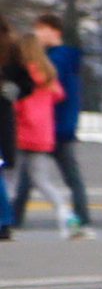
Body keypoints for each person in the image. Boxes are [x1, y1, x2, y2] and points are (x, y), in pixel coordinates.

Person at [14, 13, 91, 234]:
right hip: (52, 128)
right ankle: (80, 220)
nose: (38, 34)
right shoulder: (58, 59)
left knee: (27, 179)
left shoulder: (53, 60)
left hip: (47, 127)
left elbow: (46, 94)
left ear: (54, 31)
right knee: (34, 180)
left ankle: (12, 221)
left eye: (41, 29)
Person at [0, 13, 30, 241]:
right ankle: (4, 220)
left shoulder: (11, 48)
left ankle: (4, 220)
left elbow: (26, 83)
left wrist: (13, 90)